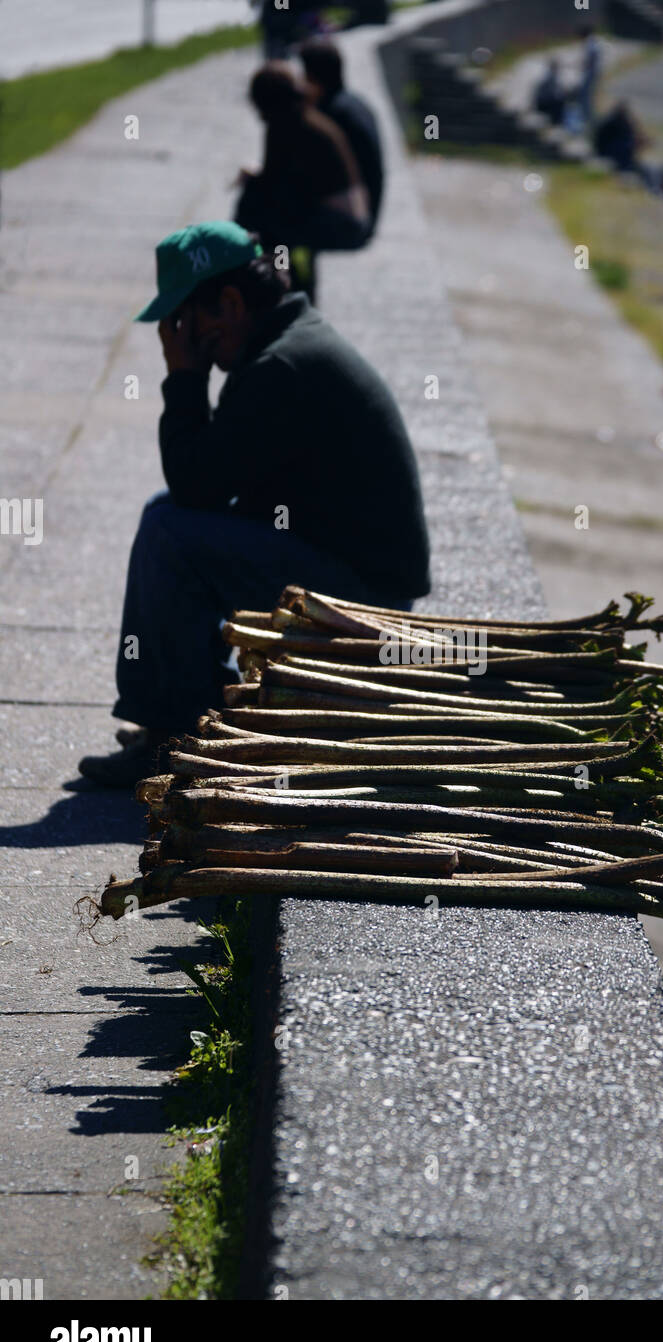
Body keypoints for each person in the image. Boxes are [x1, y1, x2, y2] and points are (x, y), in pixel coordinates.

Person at [78, 221, 431, 787]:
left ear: (232, 303)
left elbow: (196, 485)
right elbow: (215, 488)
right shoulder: (288, 347)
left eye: (190, 325)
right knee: (173, 521)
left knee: (170, 529)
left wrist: (184, 379)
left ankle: (173, 732)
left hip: (365, 607)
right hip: (353, 580)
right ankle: (186, 711)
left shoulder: (281, 367)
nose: (187, 343)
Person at [234, 63, 370, 259]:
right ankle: (274, 270)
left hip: (343, 224)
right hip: (350, 218)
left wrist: (252, 176)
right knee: (268, 210)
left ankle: (254, 266)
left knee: (260, 211)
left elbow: (272, 181)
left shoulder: (285, 125)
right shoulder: (305, 118)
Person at [300, 38, 385, 239]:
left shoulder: (329, 114)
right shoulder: (355, 103)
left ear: (312, 76)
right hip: (365, 214)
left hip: (351, 222)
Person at [532, 58, 567, 127]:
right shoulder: (551, 76)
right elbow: (553, 93)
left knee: (559, 102)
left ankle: (556, 122)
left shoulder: (549, 75)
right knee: (559, 103)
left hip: (542, 101)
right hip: (542, 103)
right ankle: (556, 123)